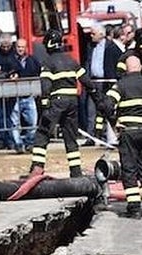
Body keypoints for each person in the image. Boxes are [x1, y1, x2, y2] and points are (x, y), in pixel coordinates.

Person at [30, 29, 105, 179]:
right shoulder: (72, 61)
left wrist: (45, 105)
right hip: (72, 102)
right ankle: (76, 171)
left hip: (57, 102)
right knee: (70, 137)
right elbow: (86, 81)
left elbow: (45, 85)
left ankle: (37, 168)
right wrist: (97, 96)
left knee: (43, 133)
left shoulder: (48, 62)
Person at [105, 53, 142, 217]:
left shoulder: (120, 85)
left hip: (128, 132)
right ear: (140, 68)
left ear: (126, 68)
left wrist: (114, 120)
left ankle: (133, 208)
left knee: (129, 169)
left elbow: (106, 105)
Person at [12, 39, 40, 151]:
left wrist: (37, 90)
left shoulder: (33, 60)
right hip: (14, 97)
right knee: (14, 124)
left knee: (33, 122)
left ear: (26, 48)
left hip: (29, 96)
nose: (20, 49)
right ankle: (18, 145)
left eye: (22, 47)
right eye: (18, 47)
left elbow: (39, 74)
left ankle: (29, 143)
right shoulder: (11, 60)